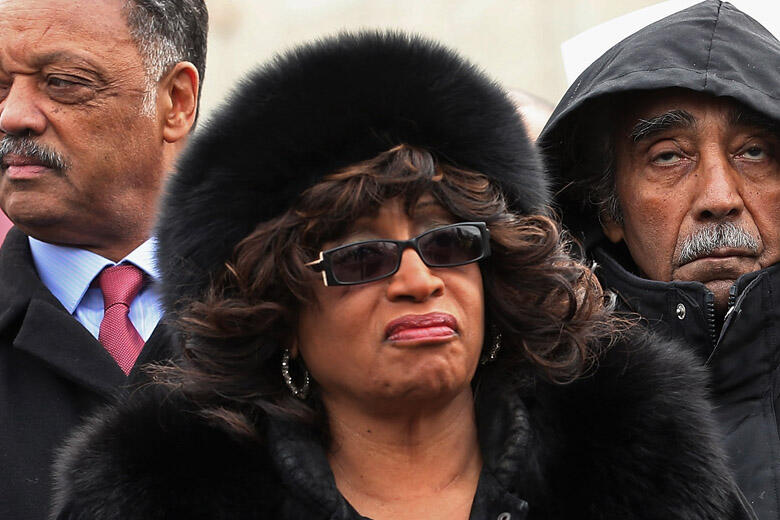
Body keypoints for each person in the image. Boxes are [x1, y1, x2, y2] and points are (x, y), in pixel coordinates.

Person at [53, 32, 748, 520]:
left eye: (449, 244)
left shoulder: (641, 469)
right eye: (360, 258)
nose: (418, 280)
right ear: (276, 314)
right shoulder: (159, 498)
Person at [539, 1, 779, 518]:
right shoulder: (544, 422)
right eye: (669, 155)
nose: (720, 196)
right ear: (610, 209)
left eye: (754, 151)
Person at [0, 0, 208, 518]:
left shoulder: (299, 319)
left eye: (64, 82)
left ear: (176, 101)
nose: (12, 115)